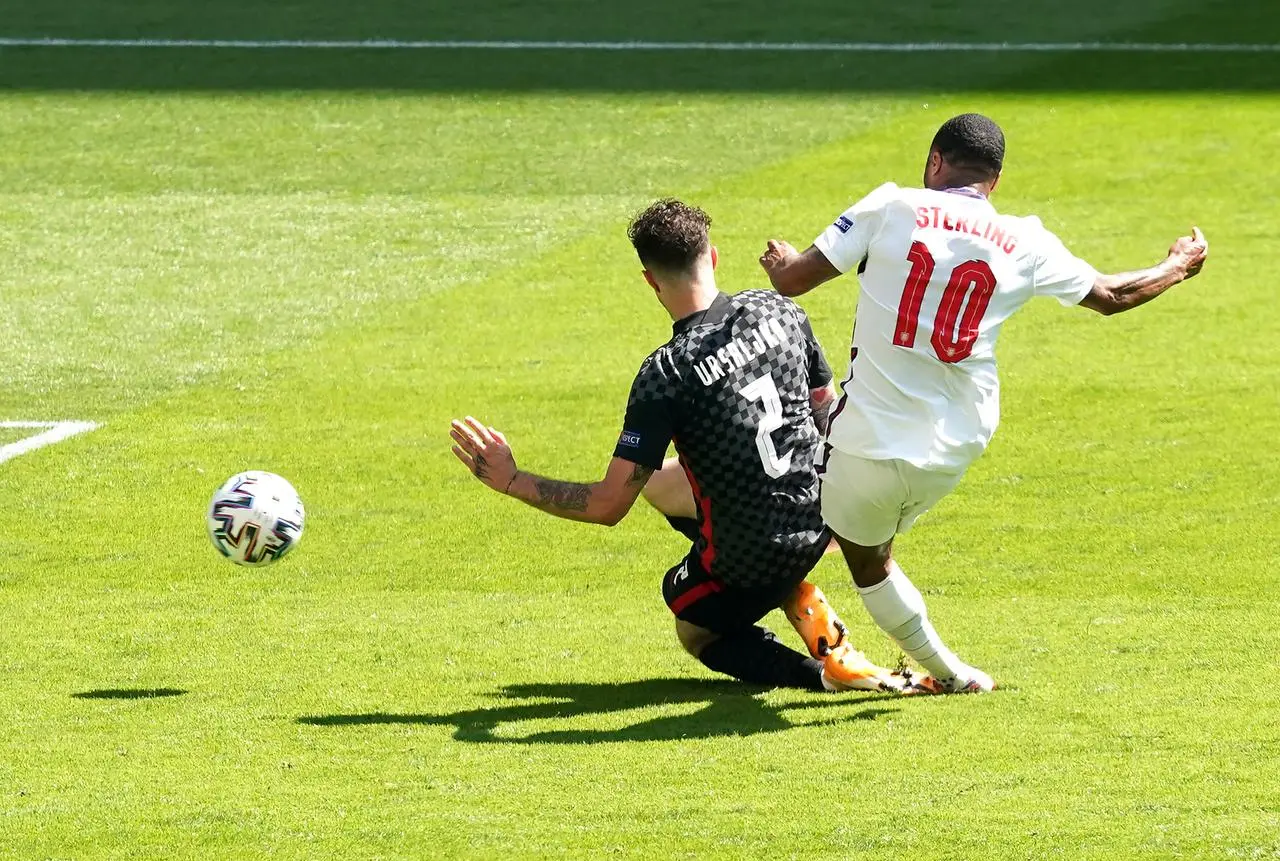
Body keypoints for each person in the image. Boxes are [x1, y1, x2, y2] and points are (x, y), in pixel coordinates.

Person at [757, 113, 1209, 694]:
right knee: (880, 518)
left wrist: (780, 261)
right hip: (957, 444)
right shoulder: (1025, 239)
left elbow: (793, 281)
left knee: (865, 555)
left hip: (871, 440)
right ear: (993, 181)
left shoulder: (892, 205)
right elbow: (1111, 296)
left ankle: (949, 673)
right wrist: (1178, 265)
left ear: (935, 161)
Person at [450, 198, 905, 693]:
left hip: (757, 554)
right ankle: (789, 586)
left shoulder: (666, 374)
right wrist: (840, 509)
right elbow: (826, 409)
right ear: (713, 257)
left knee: (692, 622)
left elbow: (607, 505)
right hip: (821, 516)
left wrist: (512, 479)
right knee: (661, 485)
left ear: (650, 281)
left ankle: (826, 674)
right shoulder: (781, 310)